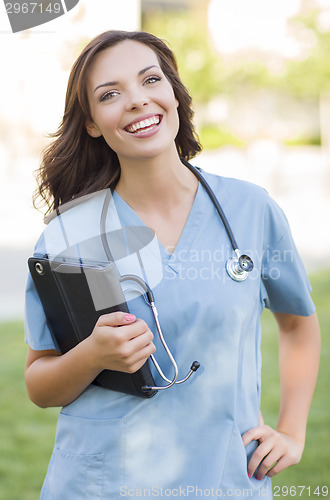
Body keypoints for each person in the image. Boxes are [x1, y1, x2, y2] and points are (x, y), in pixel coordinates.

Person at [24, 30, 320, 499]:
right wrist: (93, 356)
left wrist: (293, 431)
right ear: (92, 124)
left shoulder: (250, 209)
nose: (138, 101)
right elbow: (40, 384)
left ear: (175, 95)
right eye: (110, 94)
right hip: (102, 484)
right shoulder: (69, 233)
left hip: (222, 478)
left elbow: (298, 324)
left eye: (150, 80)